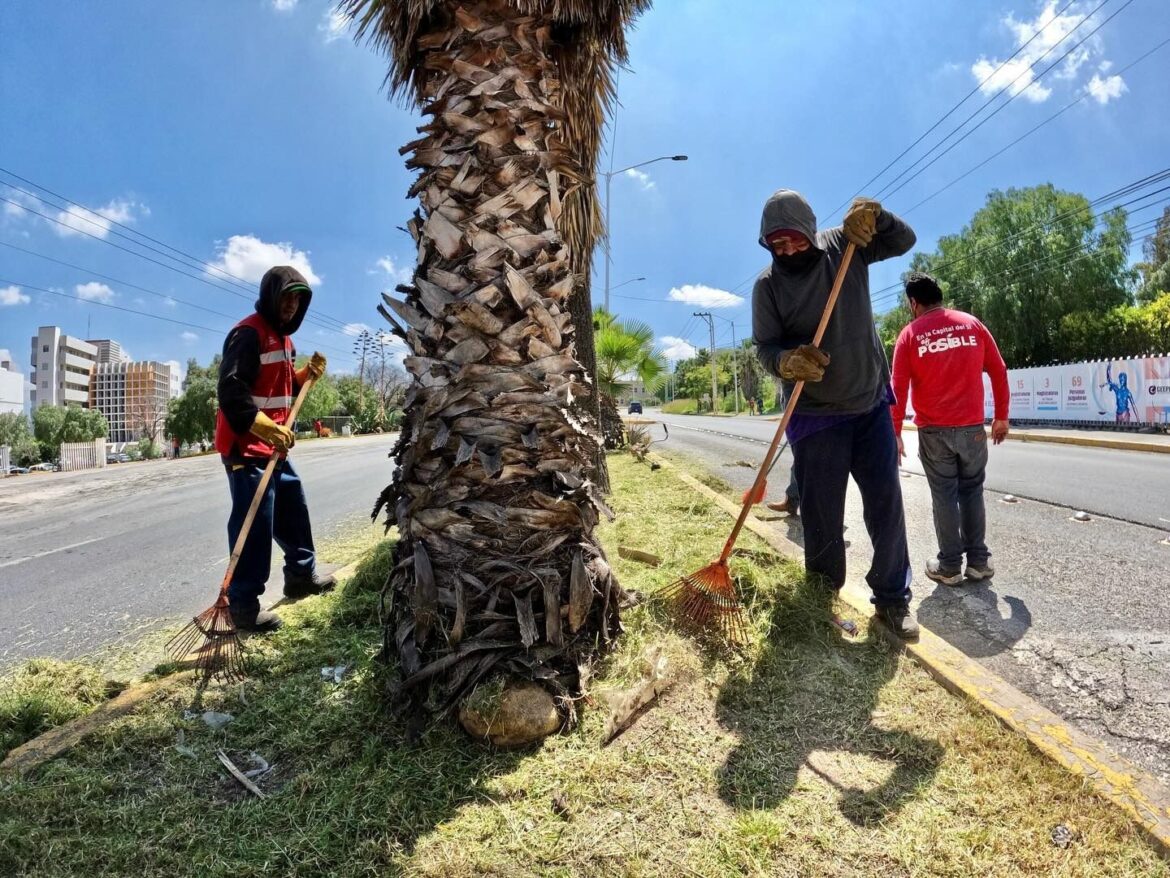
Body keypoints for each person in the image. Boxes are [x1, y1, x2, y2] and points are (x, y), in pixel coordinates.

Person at [753, 190, 919, 639]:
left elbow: (905, 240)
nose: (787, 251)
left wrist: (878, 216)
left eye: (794, 241)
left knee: (885, 507)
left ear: (809, 232)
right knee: (822, 515)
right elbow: (764, 348)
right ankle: (822, 598)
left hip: (868, 403)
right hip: (814, 414)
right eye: (776, 245)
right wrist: (786, 361)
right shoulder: (767, 286)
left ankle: (892, 600)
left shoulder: (846, 245)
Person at [214, 265, 337, 632]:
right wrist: (265, 428)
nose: (292, 305)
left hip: (274, 447)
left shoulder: (285, 341)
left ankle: (300, 576)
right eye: (286, 297)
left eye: (298, 299)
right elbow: (231, 392)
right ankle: (243, 606)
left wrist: (304, 377)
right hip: (246, 446)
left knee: (292, 506)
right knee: (255, 522)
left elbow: (281, 392)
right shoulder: (247, 334)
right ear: (271, 296)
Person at [891, 272, 1010, 585]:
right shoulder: (972, 324)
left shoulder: (910, 335)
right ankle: (979, 562)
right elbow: (998, 370)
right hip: (972, 429)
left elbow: (898, 389)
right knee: (972, 491)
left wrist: (894, 433)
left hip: (934, 432)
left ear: (913, 303)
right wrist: (1001, 416)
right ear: (939, 297)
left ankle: (949, 566)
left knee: (944, 495)